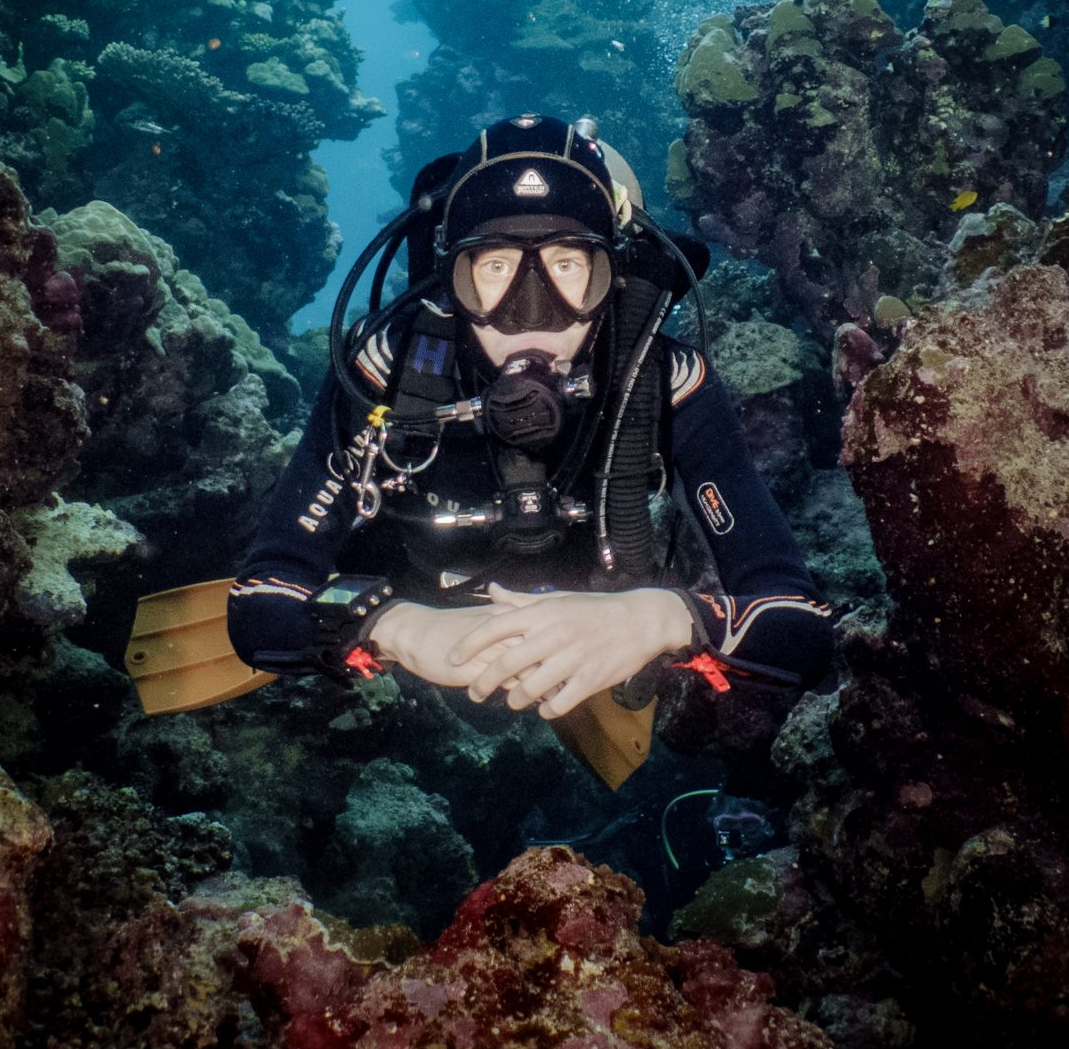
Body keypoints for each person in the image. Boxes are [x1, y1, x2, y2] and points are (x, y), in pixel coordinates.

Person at [225, 114, 832, 733]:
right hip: (413, 596)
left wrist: (661, 620)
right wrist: (394, 627)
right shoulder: (388, 366)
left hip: (605, 615)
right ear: (449, 278)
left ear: (613, 274)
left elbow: (802, 624)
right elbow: (263, 600)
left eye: (569, 265)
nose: (530, 313)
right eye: (493, 268)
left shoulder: (667, 381)